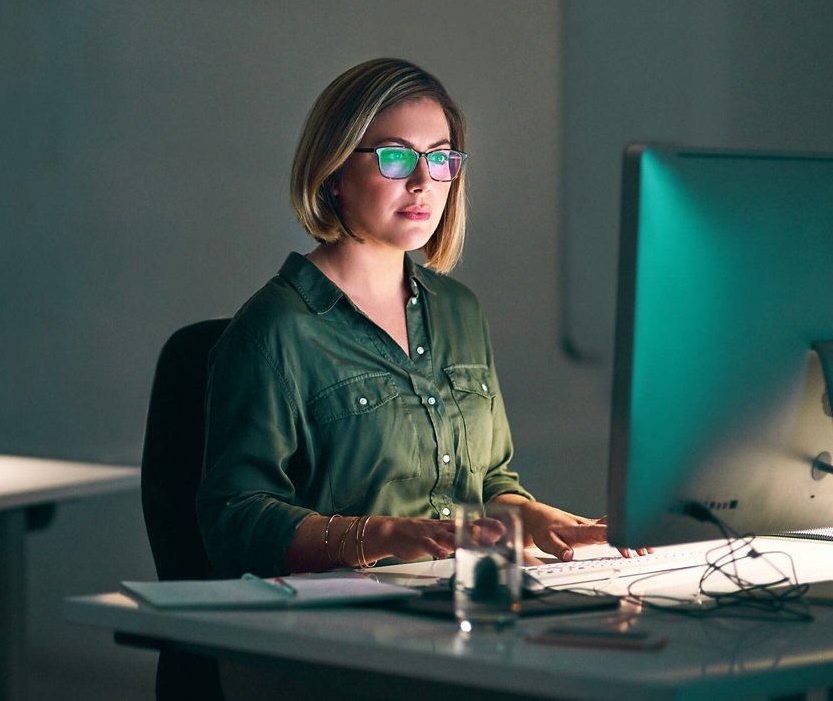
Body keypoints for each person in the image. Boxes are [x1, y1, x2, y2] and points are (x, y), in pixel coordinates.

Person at [196, 57, 630, 579]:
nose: (425, 181)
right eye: (396, 158)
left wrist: (534, 519)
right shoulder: (275, 331)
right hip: (344, 625)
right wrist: (383, 534)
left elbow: (488, 485)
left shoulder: (460, 311)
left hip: (463, 599)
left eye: (442, 158)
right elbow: (235, 520)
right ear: (334, 172)